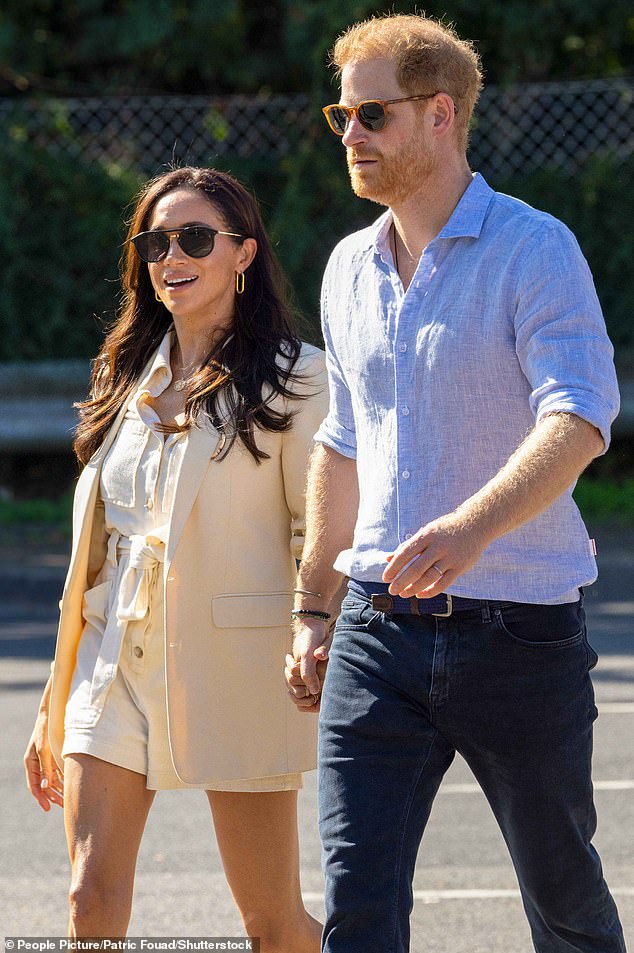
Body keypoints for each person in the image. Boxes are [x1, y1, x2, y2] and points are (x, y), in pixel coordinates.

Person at [285, 13, 626, 953]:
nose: (350, 134)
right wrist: (314, 610)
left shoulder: (535, 247)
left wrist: (470, 529)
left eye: (371, 114)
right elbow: (344, 444)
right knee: (357, 911)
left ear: (441, 114)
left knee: (563, 904)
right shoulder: (349, 265)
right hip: (373, 629)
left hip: (518, 628)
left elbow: (580, 417)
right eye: (341, 115)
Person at [24, 166, 329, 951]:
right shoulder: (124, 373)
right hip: (112, 665)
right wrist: (53, 699)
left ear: (243, 254)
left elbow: (316, 531)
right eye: (156, 241)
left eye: (196, 237)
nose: (172, 255)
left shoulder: (299, 379)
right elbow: (97, 556)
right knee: (90, 901)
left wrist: (314, 626)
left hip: (237, 666)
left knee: (272, 922)